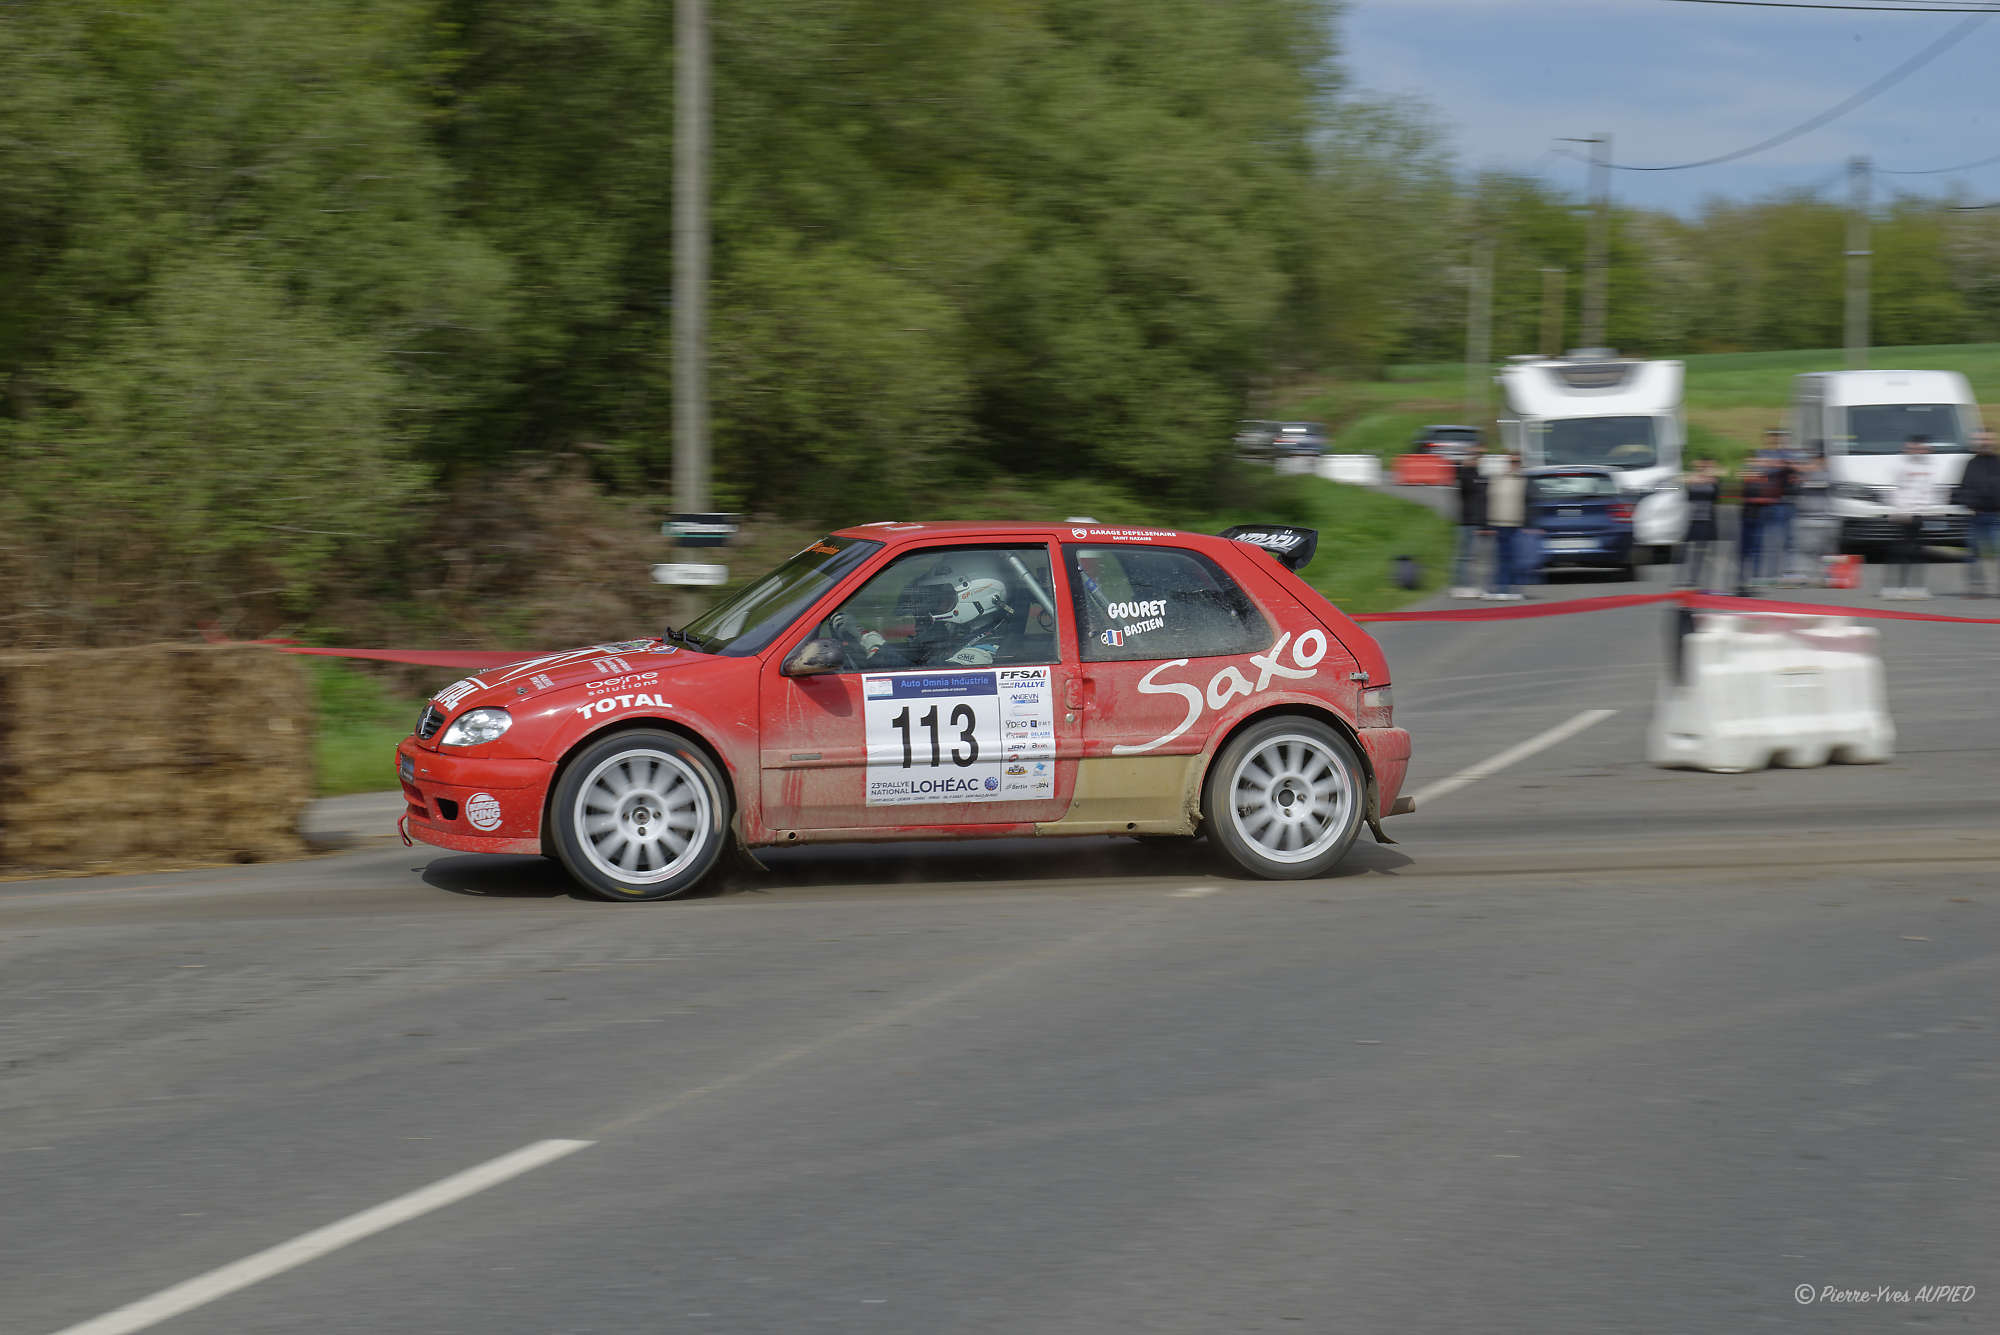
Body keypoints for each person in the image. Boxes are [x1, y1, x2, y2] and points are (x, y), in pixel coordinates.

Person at [830, 556, 1017, 666]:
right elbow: (913, 655)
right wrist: (861, 635)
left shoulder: (982, 652)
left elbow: (929, 683)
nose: (935, 605)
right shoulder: (953, 634)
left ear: (975, 596)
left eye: (943, 598)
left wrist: (875, 645)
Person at [1884, 435, 1939, 599]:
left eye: (1921, 448)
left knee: (1918, 551)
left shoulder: (1930, 466)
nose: (1918, 451)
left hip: (1920, 514)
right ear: (1907, 447)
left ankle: (1917, 587)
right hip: (1903, 514)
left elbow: (1931, 490)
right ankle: (1893, 587)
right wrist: (1898, 510)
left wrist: (1932, 509)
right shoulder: (1900, 464)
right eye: (1914, 448)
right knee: (1900, 551)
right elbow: (1893, 489)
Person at [1953, 429, 2000, 597]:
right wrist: (1968, 504)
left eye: (1987, 439)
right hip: (1976, 515)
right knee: (1973, 553)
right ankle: (1976, 588)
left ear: (1993, 441)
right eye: (1981, 440)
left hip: (1997, 516)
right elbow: (1963, 487)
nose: (1984, 443)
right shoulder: (1971, 464)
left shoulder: (1998, 462)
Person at [1485, 454, 1528, 601]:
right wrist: (1488, 523)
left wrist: (1528, 523)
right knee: (1502, 558)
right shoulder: (1497, 479)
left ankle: (1512, 589)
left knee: (1515, 558)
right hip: (1499, 523)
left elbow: (1528, 502)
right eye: (1511, 461)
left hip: (1516, 524)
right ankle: (1500, 588)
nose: (1513, 464)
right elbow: (1490, 501)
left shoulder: (1523, 480)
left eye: (1516, 462)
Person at [1734, 453, 1779, 596]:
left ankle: (1753, 583)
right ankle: (1741, 583)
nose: (1753, 464)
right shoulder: (1747, 477)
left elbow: (1770, 496)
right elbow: (1743, 494)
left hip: (1759, 518)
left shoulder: (1765, 478)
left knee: (1757, 553)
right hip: (1747, 517)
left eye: (1756, 461)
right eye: (1750, 461)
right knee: (1743, 552)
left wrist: (1757, 498)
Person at [1790, 454, 1838, 585]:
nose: (1817, 464)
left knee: (1825, 550)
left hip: (1825, 519)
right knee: (1805, 549)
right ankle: (1804, 575)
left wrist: (1807, 473)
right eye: (1815, 461)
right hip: (1806, 518)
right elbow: (1795, 488)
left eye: (1820, 461)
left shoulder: (1829, 475)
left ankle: (1827, 575)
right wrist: (1804, 474)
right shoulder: (1804, 475)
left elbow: (1826, 484)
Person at [1451, 444, 1488, 599]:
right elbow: (1460, 480)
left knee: (1476, 556)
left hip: (1477, 521)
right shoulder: (1465, 475)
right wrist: (1466, 461)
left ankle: (1472, 585)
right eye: (1474, 457)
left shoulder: (1477, 475)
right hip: (1467, 521)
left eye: (1478, 458)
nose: (1477, 460)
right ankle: (1461, 586)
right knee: (1465, 556)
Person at [1679, 458, 1721, 591]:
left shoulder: (1713, 481)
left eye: (1706, 465)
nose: (1703, 468)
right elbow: (1684, 494)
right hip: (1691, 520)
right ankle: (1689, 580)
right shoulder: (1690, 479)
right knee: (1689, 553)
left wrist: (1714, 481)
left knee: (1703, 554)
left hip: (1706, 520)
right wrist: (1689, 482)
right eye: (1701, 465)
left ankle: (1699, 581)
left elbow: (1716, 497)